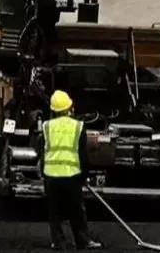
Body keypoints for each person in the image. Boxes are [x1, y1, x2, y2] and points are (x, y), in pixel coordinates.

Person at [39, 90, 101, 251]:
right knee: (77, 211)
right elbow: (82, 155)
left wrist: (43, 172)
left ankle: (57, 241)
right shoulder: (78, 127)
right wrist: (84, 175)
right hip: (72, 175)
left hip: (51, 175)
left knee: (54, 212)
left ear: (53, 110)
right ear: (69, 108)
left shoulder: (46, 126)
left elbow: (43, 151)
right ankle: (83, 241)